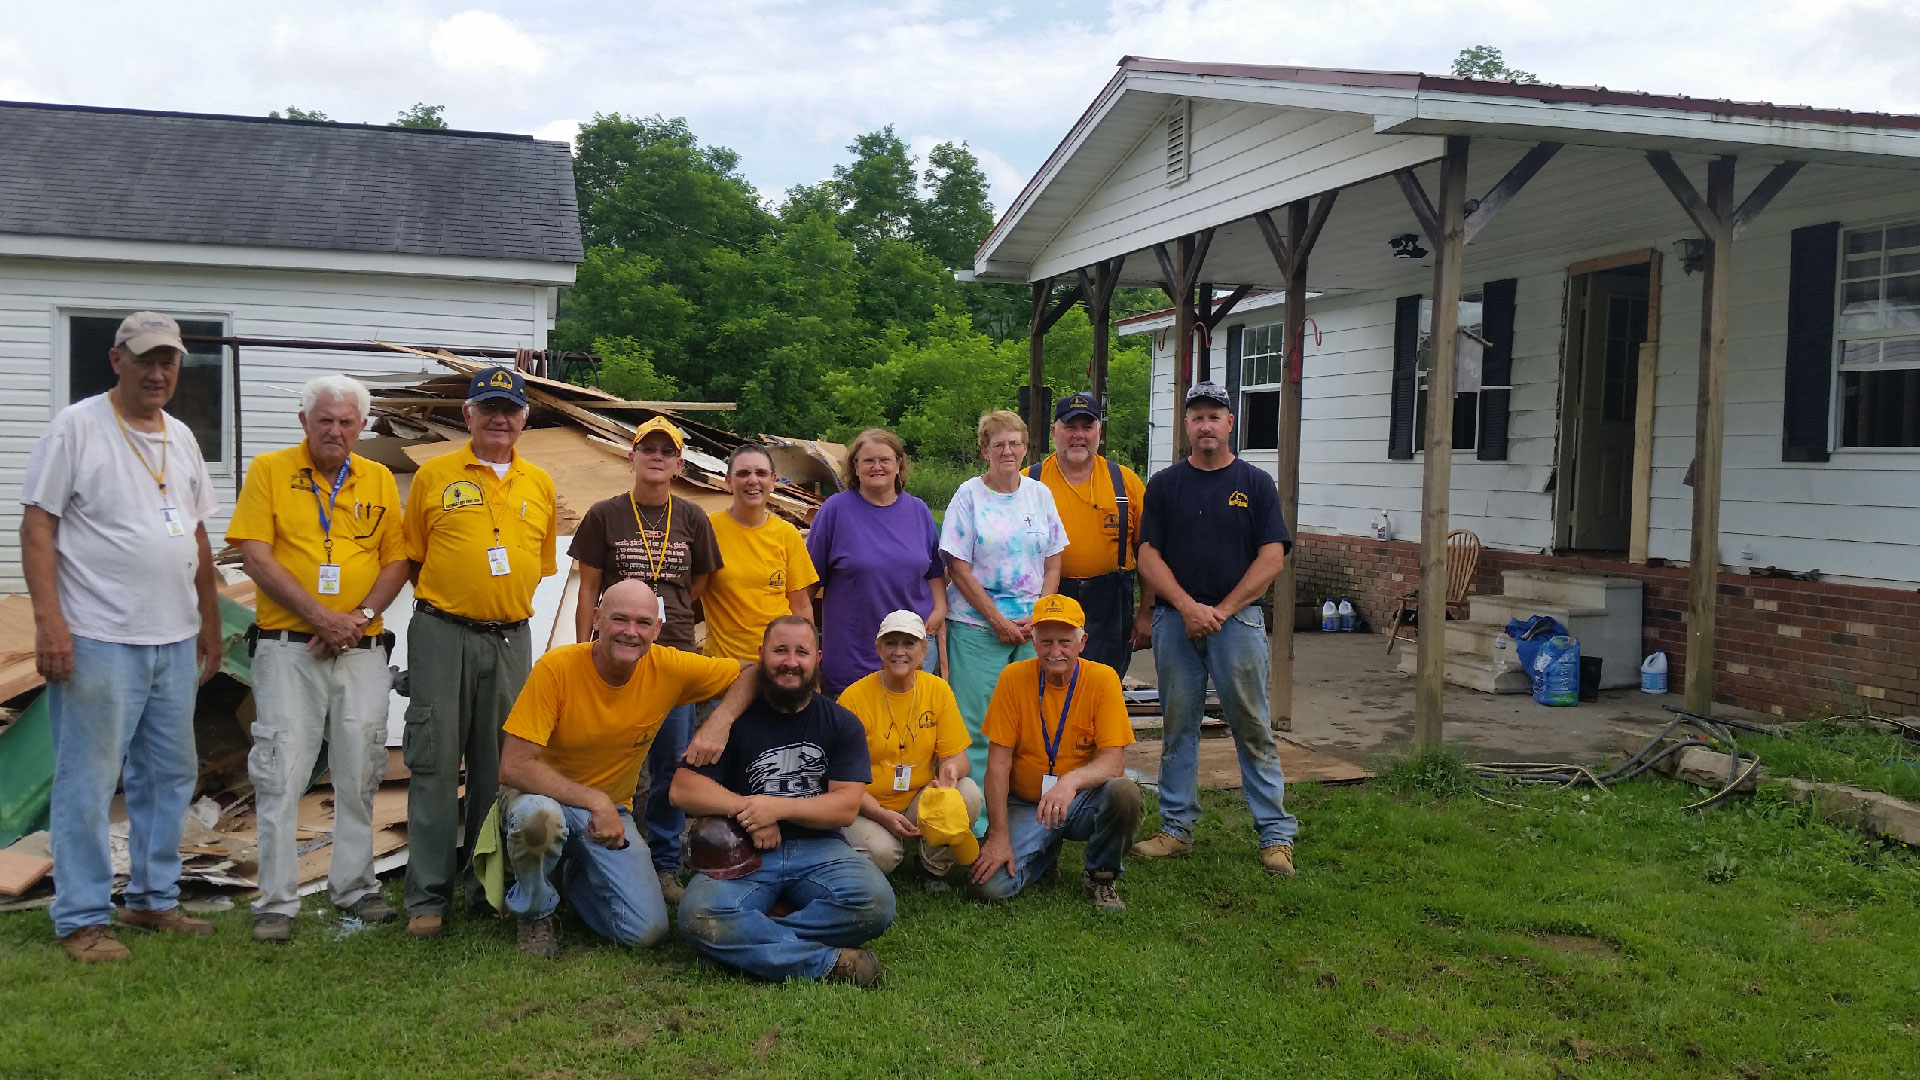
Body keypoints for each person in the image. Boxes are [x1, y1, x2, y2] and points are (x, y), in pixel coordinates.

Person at [21, 312, 224, 963]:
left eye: (168, 361)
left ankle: (151, 898)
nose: (158, 372)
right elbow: (37, 527)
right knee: (87, 779)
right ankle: (81, 916)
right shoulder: (76, 428)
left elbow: (195, 535)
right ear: (117, 361)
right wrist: (50, 622)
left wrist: (210, 620)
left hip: (172, 639)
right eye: (145, 360)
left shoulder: (183, 437)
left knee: (168, 775)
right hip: (98, 635)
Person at [227, 375, 409, 943]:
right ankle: (277, 901)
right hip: (289, 649)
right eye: (325, 420)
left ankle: (355, 886)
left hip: (361, 649)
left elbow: (398, 561)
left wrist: (353, 619)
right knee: (281, 770)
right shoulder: (270, 471)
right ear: (304, 422)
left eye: (347, 421)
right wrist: (319, 617)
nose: (335, 430)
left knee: (361, 768)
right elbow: (254, 555)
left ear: (361, 426)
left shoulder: (378, 478)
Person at [496, 579, 759, 957]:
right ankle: (535, 910)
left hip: (611, 814)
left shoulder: (668, 667)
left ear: (657, 629)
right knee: (538, 818)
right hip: (541, 797)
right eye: (619, 619)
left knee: (646, 931)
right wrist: (596, 801)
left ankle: (574, 877)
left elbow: (752, 672)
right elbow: (514, 767)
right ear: (598, 619)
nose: (630, 632)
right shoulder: (557, 667)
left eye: (642, 623)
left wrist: (721, 721)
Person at [401, 366, 559, 939]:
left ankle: (487, 887)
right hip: (443, 633)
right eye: (488, 406)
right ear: (467, 414)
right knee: (436, 763)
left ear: (525, 418)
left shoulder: (540, 483)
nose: (499, 417)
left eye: (510, 408)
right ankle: (427, 898)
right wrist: (458, 603)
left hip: (512, 637)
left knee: (502, 768)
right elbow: (414, 555)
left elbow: (540, 566)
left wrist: (498, 605)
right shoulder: (434, 475)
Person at [1131, 381, 1300, 876]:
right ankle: (1175, 829)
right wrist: (1186, 607)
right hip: (1175, 623)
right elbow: (1147, 555)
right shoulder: (1164, 484)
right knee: (1177, 725)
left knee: (1251, 725)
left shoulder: (1255, 483)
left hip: (1238, 623)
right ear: (1186, 425)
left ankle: (1275, 837)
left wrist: (1221, 610)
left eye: (1215, 416)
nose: (1206, 425)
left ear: (1231, 424)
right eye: (1197, 416)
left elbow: (1272, 558)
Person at [672, 617, 896, 986]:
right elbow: (682, 789)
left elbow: (845, 806)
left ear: (817, 659)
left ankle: (744, 944)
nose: (790, 661)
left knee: (875, 904)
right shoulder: (733, 722)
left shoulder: (841, 723)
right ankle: (830, 962)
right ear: (761, 656)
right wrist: (750, 811)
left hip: (821, 850)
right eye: (780, 651)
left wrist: (777, 808)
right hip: (744, 854)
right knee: (698, 914)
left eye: (801, 652)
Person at [568, 416, 722, 902]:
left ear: (679, 463)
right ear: (631, 458)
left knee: (670, 760)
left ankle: (664, 862)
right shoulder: (604, 514)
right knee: (614, 753)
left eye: (666, 451)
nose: (656, 457)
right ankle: (607, 846)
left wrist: (666, 616)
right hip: (614, 654)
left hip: (671, 649)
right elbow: (588, 587)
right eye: (647, 449)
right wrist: (582, 652)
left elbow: (699, 585)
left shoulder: (694, 517)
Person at [967, 594, 1143, 911]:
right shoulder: (1013, 678)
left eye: (1065, 641)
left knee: (1124, 793)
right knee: (989, 888)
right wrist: (998, 836)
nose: (1055, 651)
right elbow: (998, 763)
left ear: (1082, 642)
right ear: (1034, 643)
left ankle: (1101, 875)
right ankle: (1045, 852)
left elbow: (1113, 762)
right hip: (1026, 802)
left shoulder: (1103, 680)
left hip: (1078, 801)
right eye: (1046, 641)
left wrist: (1069, 782)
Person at [940, 410, 1066, 785]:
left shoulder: (1040, 495)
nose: (1007, 451)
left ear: (1026, 448)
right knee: (977, 724)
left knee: (1033, 717)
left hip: (1032, 629)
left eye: (1014, 443)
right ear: (984, 451)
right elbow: (957, 566)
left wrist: (1041, 615)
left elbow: (1054, 562)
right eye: (998, 445)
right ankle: (975, 816)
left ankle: (1028, 802)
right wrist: (997, 620)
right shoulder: (969, 496)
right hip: (977, 626)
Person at [836, 610, 979, 891]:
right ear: (878, 648)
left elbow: (958, 757)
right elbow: (841, 780)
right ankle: (860, 852)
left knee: (968, 793)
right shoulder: (853, 698)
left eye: (909, 643)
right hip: (864, 805)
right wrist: (881, 815)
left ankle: (931, 869)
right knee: (884, 855)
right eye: (891, 643)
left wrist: (951, 770)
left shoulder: (937, 689)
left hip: (916, 799)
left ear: (924, 651)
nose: (899, 651)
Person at [807, 428, 946, 697]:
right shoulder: (835, 510)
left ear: (899, 465)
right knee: (854, 734)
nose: (877, 466)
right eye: (868, 461)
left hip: (912, 649)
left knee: (910, 733)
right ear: (854, 468)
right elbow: (808, 582)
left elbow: (933, 571)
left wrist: (939, 608)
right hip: (854, 652)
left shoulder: (918, 510)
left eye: (885, 459)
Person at [1028, 391, 1153, 677]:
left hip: (1111, 602)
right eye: (1070, 427)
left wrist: (1147, 611)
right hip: (1049, 599)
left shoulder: (1125, 482)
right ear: (1054, 431)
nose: (1078, 435)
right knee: (1046, 683)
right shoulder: (1028, 482)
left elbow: (1148, 553)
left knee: (1103, 683)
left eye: (1087, 426)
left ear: (1099, 431)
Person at [704, 444, 818, 660]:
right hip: (726, 665)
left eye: (761, 473)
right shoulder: (708, 530)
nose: (753, 480)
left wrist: (808, 663)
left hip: (779, 667)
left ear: (773, 481)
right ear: (728, 482)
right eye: (743, 473)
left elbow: (801, 607)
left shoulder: (786, 534)